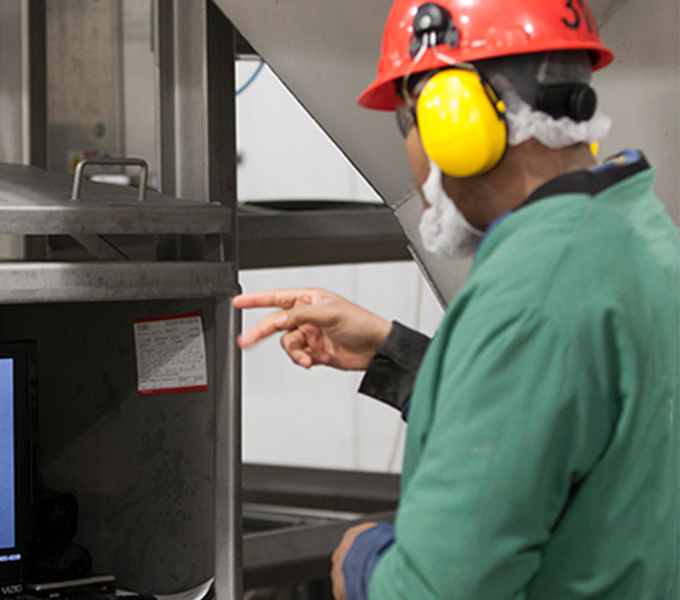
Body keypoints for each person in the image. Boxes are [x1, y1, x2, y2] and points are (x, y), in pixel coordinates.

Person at [234, 1, 679, 599]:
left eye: (406, 122)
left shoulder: (530, 295)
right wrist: (397, 355)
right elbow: (566, 422)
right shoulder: (638, 232)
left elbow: (433, 591)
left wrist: (362, 562)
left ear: (454, 116)